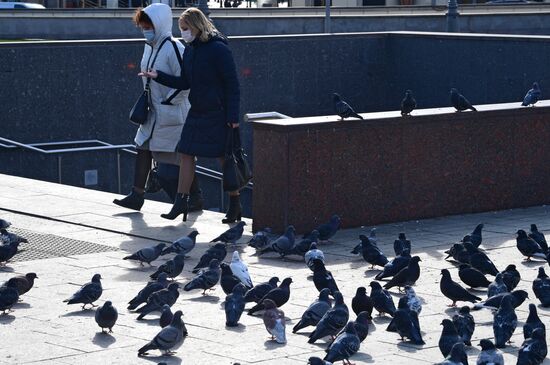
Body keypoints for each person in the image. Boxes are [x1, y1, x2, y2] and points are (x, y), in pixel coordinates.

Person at [140, 7, 241, 224]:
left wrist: (233, 118)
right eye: (181, 29)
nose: (183, 33)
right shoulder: (191, 50)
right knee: (185, 152)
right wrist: (158, 76)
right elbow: (185, 82)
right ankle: (181, 201)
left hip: (217, 112)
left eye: (185, 28)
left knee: (224, 160)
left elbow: (232, 84)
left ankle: (235, 202)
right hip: (197, 111)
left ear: (196, 26)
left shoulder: (218, 49)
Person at [114, 3, 203, 212]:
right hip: (153, 110)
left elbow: (185, 82)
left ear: (159, 24)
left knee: (178, 160)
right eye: (143, 26)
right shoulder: (150, 45)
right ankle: (137, 194)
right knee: (142, 147)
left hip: (171, 113)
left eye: (148, 25)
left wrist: (168, 101)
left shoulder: (173, 47)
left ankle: (193, 198)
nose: (145, 30)